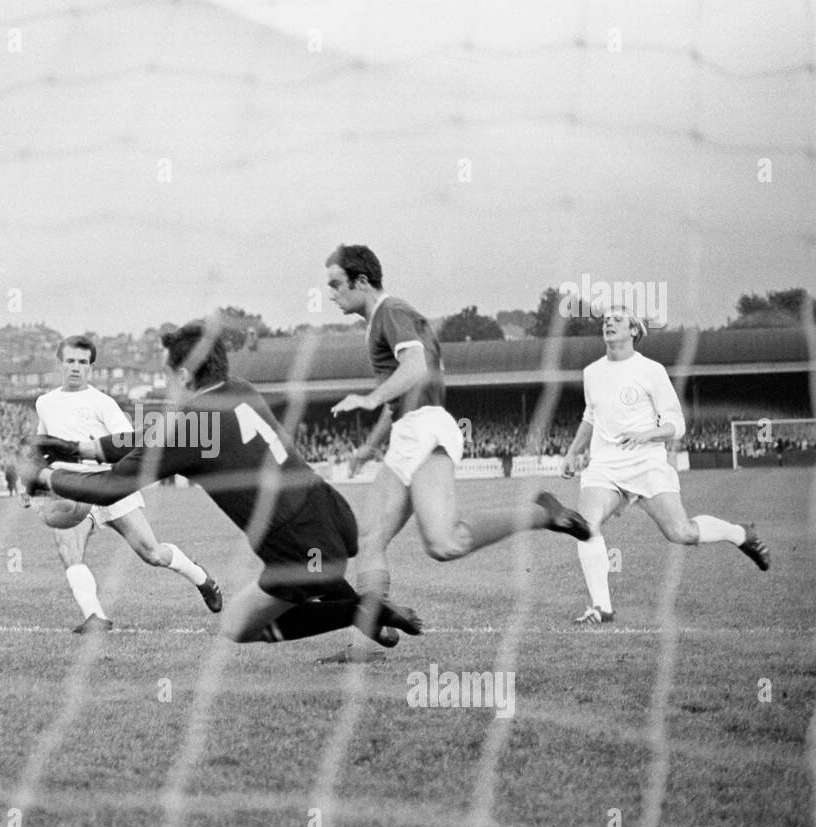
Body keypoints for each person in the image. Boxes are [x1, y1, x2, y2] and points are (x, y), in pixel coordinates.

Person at [20, 321, 422, 647]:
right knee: (317, 575)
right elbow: (146, 437)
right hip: (330, 512)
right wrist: (79, 448)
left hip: (296, 540)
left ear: (181, 374)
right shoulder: (240, 390)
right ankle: (365, 612)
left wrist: (42, 476)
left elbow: (108, 488)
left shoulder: (192, 426)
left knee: (239, 627)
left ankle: (361, 610)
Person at [325, 244, 591, 655]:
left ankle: (544, 513)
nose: (331, 294)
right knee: (369, 539)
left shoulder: (391, 313)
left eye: (336, 284)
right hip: (410, 431)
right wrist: (369, 446)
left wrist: (368, 398)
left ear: (361, 281)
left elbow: (417, 370)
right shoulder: (388, 318)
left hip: (426, 429)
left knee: (444, 544)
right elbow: (403, 392)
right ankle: (371, 638)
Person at [561, 309, 769, 623]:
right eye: (605, 319)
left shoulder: (651, 370)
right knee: (585, 525)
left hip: (646, 463)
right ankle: (602, 608)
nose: (608, 322)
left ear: (633, 330)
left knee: (681, 532)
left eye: (617, 319)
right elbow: (590, 416)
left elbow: (676, 423)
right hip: (604, 467)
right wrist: (572, 452)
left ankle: (741, 533)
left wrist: (646, 434)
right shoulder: (592, 371)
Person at [34, 335, 222, 634]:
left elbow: (127, 444)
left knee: (153, 553)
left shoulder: (102, 402)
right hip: (72, 489)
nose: (76, 367)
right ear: (60, 363)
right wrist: (31, 486)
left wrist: (100, 466)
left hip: (110, 485)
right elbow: (42, 448)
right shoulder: (44, 403)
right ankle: (95, 617)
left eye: (83, 362)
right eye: (70, 361)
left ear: (91, 368)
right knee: (69, 548)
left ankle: (202, 578)